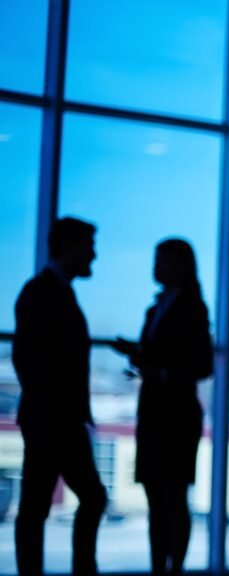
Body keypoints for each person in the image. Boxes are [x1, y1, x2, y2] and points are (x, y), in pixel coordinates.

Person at [13, 217, 108, 576]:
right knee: (74, 501)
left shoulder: (47, 291)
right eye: (88, 247)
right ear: (68, 246)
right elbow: (29, 360)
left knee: (38, 507)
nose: (93, 256)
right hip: (54, 420)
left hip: (52, 418)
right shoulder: (45, 292)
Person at [112, 239, 213, 575]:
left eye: (161, 260)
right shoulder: (157, 308)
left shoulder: (191, 308)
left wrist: (159, 372)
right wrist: (141, 355)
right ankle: (162, 567)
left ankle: (173, 567)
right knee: (158, 497)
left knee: (172, 496)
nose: (154, 267)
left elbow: (202, 365)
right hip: (156, 409)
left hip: (176, 412)